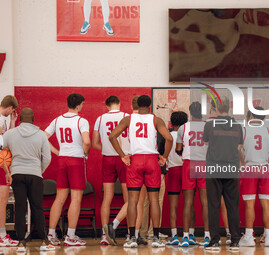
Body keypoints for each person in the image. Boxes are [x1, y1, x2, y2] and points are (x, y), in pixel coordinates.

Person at [106, 95, 173, 248]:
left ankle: (132, 238)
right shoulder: (155, 119)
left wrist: (123, 156)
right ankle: (156, 238)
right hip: (151, 160)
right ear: (150, 105)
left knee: (133, 200)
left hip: (135, 160)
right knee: (154, 200)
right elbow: (169, 138)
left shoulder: (128, 119)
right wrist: (164, 157)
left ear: (135, 105)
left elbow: (112, 136)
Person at [3, 108, 54, 252]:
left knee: (19, 207)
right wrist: (39, 171)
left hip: (17, 174)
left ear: (20, 119)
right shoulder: (41, 135)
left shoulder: (10, 134)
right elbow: (48, 158)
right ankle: (44, 241)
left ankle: (20, 243)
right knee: (37, 207)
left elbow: (1, 150)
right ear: (33, 119)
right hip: (35, 174)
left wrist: (8, 170)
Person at [45, 93, 91, 246]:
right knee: (76, 198)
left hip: (62, 160)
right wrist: (85, 153)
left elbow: (43, 137)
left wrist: (58, 151)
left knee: (60, 198)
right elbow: (86, 141)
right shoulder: (81, 121)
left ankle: (51, 234)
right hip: (76, 160)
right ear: (78, 105)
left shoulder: (57, 120)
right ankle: (70, 236)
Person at [238, 108, 269, 247]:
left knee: (249, 205)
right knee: (266, 204)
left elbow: (238, 148)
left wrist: (242, 162)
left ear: (251, 115)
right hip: (264, 169)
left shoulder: (244, 130)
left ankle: (248, 237)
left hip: (250, 169)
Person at [202, 97, 242, 251]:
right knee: (233, 206)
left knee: (214, 205)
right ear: (229, 108)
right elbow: (239, 146)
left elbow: (206, 142)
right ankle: (235, 241)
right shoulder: (238, 126)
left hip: (214, 168)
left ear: (215, 109)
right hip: (231, 168)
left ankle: (214, 240)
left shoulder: (210, 125)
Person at [93, 96, 129, 245]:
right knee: (130, 198)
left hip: (107, 159)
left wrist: (108, 149)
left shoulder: (100, 119)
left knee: (107, 197)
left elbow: (95, 143)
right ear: (119, 104)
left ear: (106, 105)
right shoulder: (127, 116)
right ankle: (129, 234)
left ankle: (103, 234)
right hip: (125, 158)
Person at [176, 102, 209, 247]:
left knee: (188, 202)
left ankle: (185, 236)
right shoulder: (208, 126)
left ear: (190, 111)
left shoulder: (183, 127)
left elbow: (178, 149)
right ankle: (207, 236)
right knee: (205, 202)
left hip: (189, 164)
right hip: (204, 164)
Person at [165, 111, 188, 245]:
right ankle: (189, 234)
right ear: (185, 122)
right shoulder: (186, 133)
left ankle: (174, 236)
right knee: (188, 204)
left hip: (173, 170)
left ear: (171, 122)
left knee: (173, 206)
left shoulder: (168, 135)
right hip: (185, 169)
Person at [0, 95, 18, 247]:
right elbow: (1, 149)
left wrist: (12, 122)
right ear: (10, 108)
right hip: (1, 165)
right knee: (2, 202)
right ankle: (2, 235)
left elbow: (6, 140)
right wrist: (7, 170)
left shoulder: (3, 120)